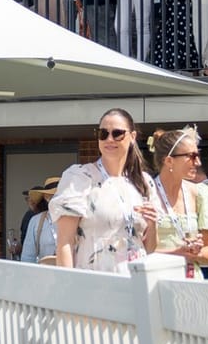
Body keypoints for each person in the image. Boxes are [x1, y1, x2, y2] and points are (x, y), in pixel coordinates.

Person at [49, 107, 159, 271]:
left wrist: (152, 224)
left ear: (132, 137)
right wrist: (66, 287)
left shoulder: (144, 183)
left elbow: (149, 250)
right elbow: (65, 242)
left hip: (135, 283)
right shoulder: (80, 178)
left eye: (117, 133)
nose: (109, 139)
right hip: (94, 285)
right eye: (103, 133)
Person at [148, 127, 208, 278]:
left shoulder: (200, 193)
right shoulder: (145, 193)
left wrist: (195, 252)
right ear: (169, 161)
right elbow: (136, 251)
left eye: (198, 156)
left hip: (190, 284)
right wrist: (176, 254)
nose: (198, 162)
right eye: (192, 156)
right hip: (154, 281)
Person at [17, 177, 60, 264]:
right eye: (54, 195)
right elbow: (27, 258)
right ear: (47, 198)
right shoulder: (35, 221)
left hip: (73, 274)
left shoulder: (78, 219)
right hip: (44, 274)